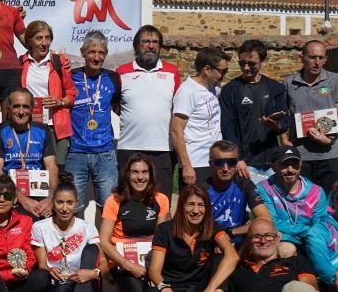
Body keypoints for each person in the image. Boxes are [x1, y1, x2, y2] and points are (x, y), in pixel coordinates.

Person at [145, 185, 239, 292]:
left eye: (201, 205)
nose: (196, 210)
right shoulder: (164, 230)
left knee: (222, 259)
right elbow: (154, 270)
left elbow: (233, 256)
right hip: (172, 289)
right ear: (182, 206)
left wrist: (211, 288)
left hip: (199, 290)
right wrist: (164, 288)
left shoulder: (211, 227)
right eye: (191, 204)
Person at [98, 153, 170, 292]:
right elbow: (104, 241)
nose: (140, 177)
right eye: (135, 172)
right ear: (127, 175)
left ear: (150, 175)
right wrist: (127, 265)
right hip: (122, 262)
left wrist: (154, 266)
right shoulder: (114, 201)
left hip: (152, 260)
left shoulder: (161, 199)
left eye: (144, 172)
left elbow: (162, 238)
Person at [64, 30, 121, 217]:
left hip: (105, 152)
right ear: (82, 53)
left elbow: (119, 107)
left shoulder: (113, 78)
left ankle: (106, 238)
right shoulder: (70, 77)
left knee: (110, 207)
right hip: (76, 152)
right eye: (92, 52)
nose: (96, 57)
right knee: (70, 207)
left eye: (101, 53)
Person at [116, 25, 180, 187]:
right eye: (145, 41)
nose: (151, 46)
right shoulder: (122, 72)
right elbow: (114, 104)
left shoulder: (172, 72)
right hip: (129, 147)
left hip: (163, 149)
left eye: (155, 42)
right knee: (129, 198)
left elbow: (177, 107)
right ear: (136, 46)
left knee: (161, 198)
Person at [283, 40, 338, 192]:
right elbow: (284, 115)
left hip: (329, 154)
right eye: (312, 57)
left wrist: (330, 139)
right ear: (302, 58)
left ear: (326, 59)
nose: (317, 62)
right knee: (303, 199)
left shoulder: (335, 80)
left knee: (331, 199)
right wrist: (284, 139)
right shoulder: (289, 83)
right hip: (300, 155)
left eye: (321, 58)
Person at [219, 40, 287, 183]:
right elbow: (227, 127)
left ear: (262, 60)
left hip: (271, 162)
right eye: (242, 63)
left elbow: (285, 122)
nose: (246, 67)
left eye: (251, 63)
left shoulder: (275, 88)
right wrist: (237, 159)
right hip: (244, 163)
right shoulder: (231, 90)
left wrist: (276, 125)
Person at [0, 88, 58, 219]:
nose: (21, 112)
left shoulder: (43, 131)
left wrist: (51, 198)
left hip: (39, 191)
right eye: (16, 106)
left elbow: (51, 167)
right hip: (10, 193)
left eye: (25, 107)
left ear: (32, 109)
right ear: (8, 108)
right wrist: (24, 200)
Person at [32, 173, 101, 292]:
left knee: (92, 249)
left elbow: (102, 262)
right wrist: (49, 270)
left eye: (69, 203)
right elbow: (42, 264)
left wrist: (93, 273)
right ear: (53, 202)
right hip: (57, 281)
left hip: (83, 279)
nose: (64, 208)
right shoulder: (39, 227)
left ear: (76, 203)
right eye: (60, 202)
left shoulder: (87, 227)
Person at [19, 20, 77, 164]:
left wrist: (60, 102)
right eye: (39, 38)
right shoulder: (21, 62)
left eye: (48, 38)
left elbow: (71, 94)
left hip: (56, 128)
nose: (44, 43)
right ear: (29, 41)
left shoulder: (59, 62)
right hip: (30, 127)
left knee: (57, 171)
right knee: (33, 170)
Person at [255, 146, 329, 256]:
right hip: (282, 239)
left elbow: (319, 225)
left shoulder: (317, 191)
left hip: (309, 239)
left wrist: (309, 234)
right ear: (273, 166)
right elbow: (271, 221)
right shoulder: (264, 189)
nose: (290, 170)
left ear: (301, 164)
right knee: (286, 250)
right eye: (284, 164)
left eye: (295, 164)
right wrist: (305, 232)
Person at [172, 48, 229, 188]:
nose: (224, 76)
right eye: (222, 71)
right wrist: (186, 165)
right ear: (207, 69)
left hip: (215, 160)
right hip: (196, 163)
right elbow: (176, 130)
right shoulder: (187, 91)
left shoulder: (214, 90)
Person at [206, 141, 271, 246]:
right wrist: (221, 239)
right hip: (212, 243)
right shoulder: (202, 190)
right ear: (211, 164)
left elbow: (265, 218)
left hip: (239, 241)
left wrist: (231, 233)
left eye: (231, 162)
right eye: (219, 162)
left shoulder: (244, 185)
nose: (225, 168)